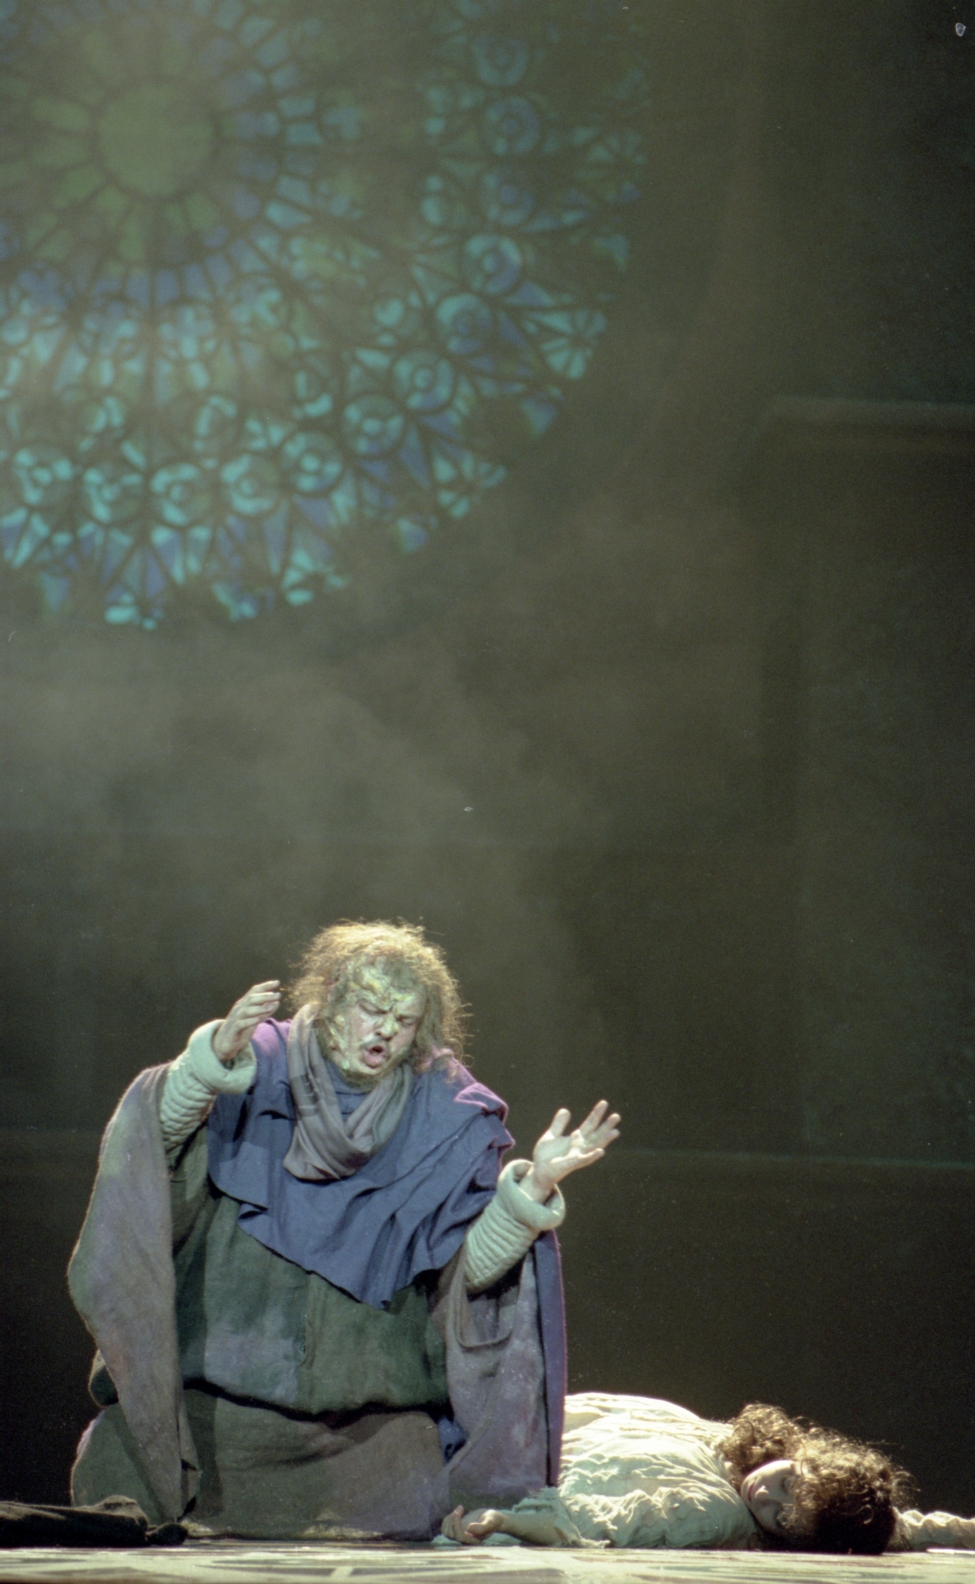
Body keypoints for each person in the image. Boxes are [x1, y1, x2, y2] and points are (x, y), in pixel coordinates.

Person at [67, 921, 620, 1541]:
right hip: (215, 1425)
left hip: (363, 1445)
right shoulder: (256, 1062)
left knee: (422, 1498)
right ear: (332, 996)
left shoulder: (446, 1113)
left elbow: (468, 1276)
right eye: (371, 1008)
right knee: (121, 1464)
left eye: (404, 1019)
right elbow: (152, 1156)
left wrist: (531, 1191)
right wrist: (206, 1065)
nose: (385, 1029)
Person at [440, 1393, 975, 1553]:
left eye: (782, 1518)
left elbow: (607, 1521)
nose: (765, 1496)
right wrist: (960, 1530)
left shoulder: (713, 1513)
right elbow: (894, 1527)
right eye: (788, 1483)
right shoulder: (740, 1448)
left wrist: (508, 1521)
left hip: (478, 1449)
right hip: (511, 1411)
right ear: (807, 1457)